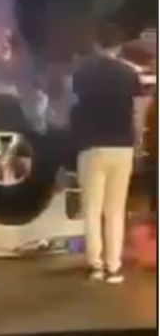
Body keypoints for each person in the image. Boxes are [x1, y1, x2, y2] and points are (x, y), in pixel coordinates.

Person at [71, 22, 142, 284]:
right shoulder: (129, 73)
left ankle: (95, 266)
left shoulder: (82, 72)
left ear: (96, 44)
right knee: (115, 210)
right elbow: (135, 112)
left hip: (91, 146)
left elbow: (74, 107)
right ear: (119, 46)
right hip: (122, 146)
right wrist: (137, 142)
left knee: (92, 209)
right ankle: (114, 267)